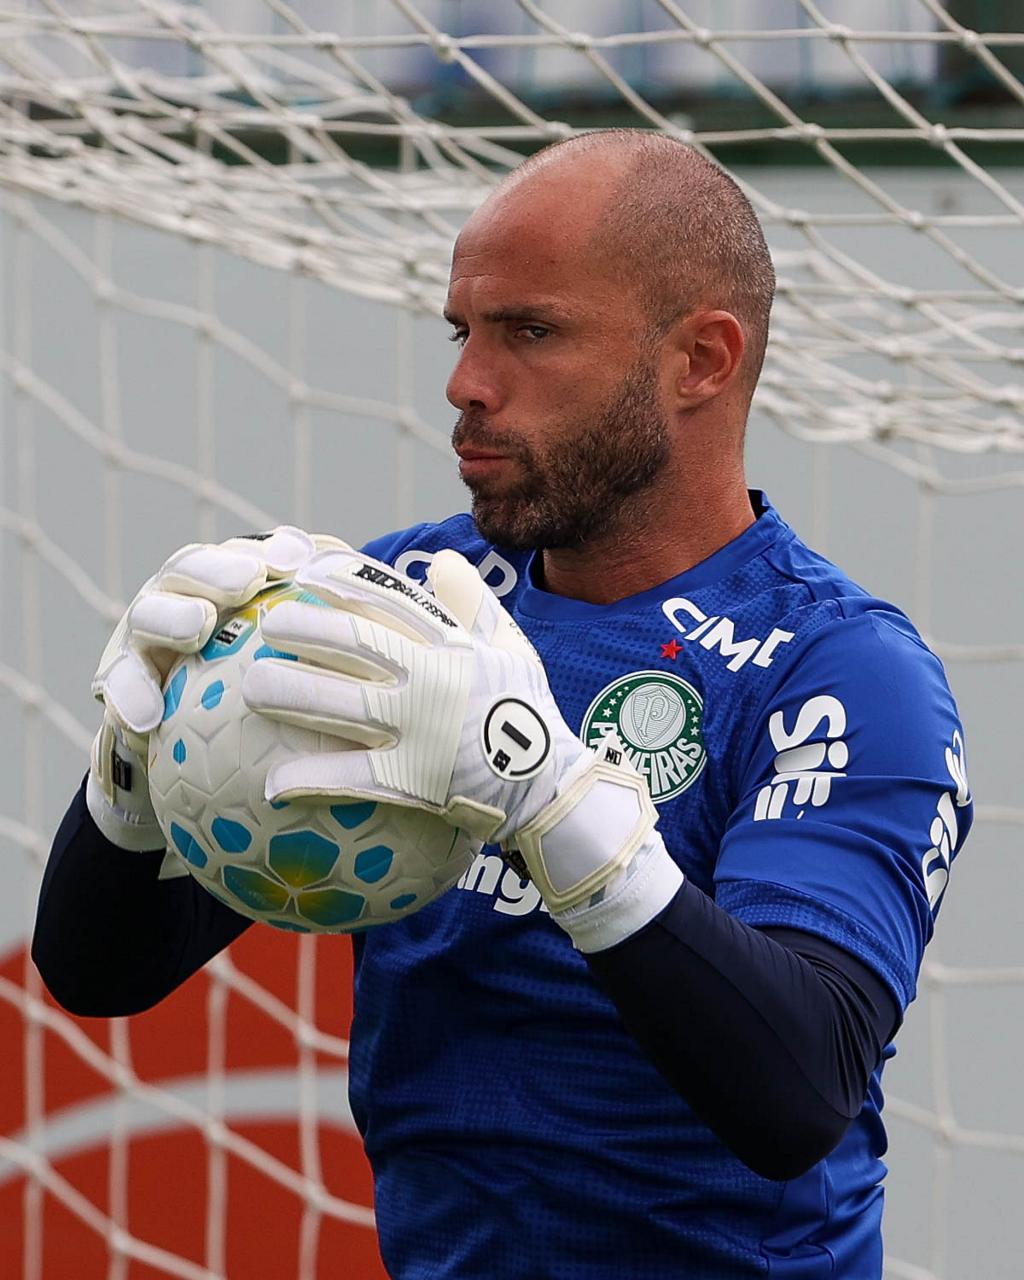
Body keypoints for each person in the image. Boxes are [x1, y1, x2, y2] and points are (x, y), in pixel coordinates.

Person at [33, 130, 971, 1279]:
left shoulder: (837, 669)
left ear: (701, 359)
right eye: (461, 330)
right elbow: (102, 974)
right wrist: (132, 778)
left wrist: (548, 795)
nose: (465, 383)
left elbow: (799, 1090)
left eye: (530, 331)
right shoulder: (408, 601)